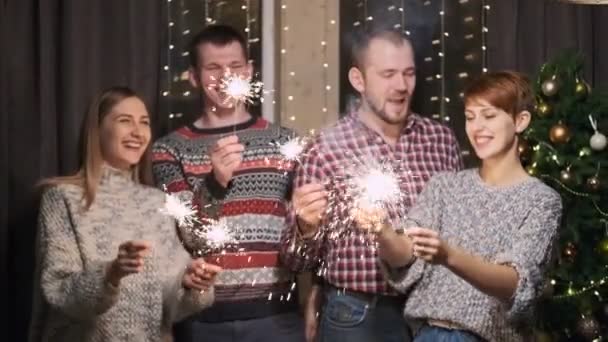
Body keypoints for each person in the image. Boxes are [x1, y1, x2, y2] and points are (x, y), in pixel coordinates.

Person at [280, 26, 463, 342]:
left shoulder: (441, 140)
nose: (402, 86)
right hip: (357, 315)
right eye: (388, 74)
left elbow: (461, 232)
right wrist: (304, 228)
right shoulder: (325, 149)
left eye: (409, 73)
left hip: (434, 315)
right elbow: (295, 260)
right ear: (358, 80)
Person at [377, 71, 563, 341]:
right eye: (470, 117)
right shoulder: (444, 186)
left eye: (489, 116)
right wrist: (382, 232)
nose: (477, 128)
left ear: (520, 121)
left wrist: (449, 256)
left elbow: (515, 283)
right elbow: (406, 252)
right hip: (428, 334)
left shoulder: (542, 201)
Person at [28, 87, 221, 342]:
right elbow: (60, 292)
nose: (137, 132)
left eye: (144, 123)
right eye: (124, 121)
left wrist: (191, 284)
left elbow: (169, 307)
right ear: (97, 130)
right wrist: (110, 274)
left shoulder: (158, 203)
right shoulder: (62, 198)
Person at [152, 25, 304, 342]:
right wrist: (215, 184)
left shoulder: (285, 141)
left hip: (275, 317)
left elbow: (303, 238)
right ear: (194, 77)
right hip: (203, 318)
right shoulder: (170, 150)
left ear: (249, 71)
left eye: (235, 66)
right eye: (213, 68)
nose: (226, 77)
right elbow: (189, 237)